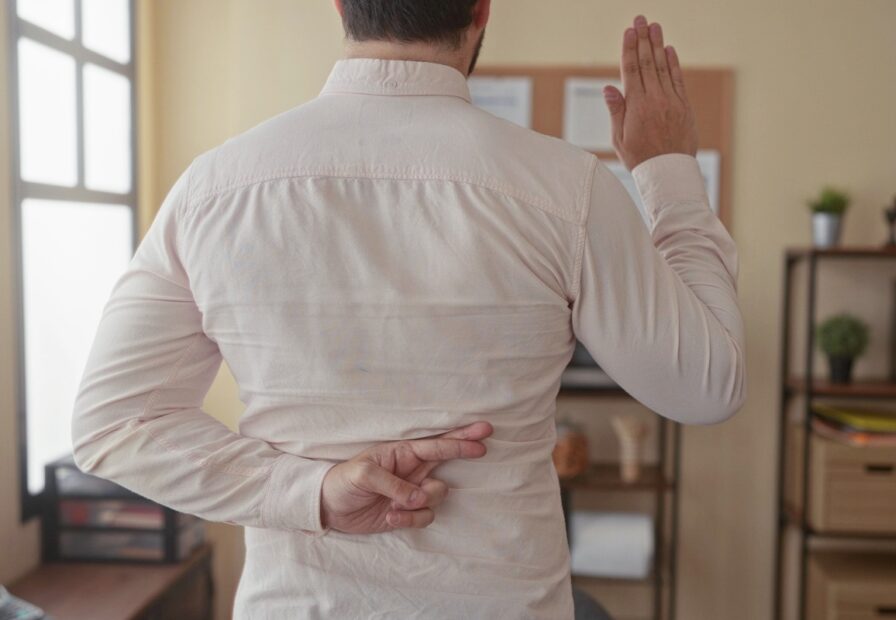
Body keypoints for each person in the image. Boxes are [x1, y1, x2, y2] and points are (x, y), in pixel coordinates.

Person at [71, 1, 745, 618]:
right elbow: (707, 387)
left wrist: (309, 492)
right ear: (481, 10)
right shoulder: (569, 188)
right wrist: (668, 171)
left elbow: (113, 423)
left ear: (341, 5)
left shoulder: (212, 189)